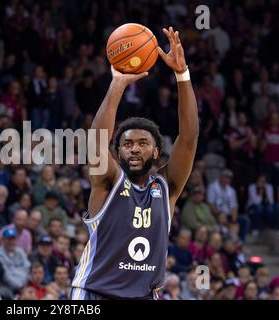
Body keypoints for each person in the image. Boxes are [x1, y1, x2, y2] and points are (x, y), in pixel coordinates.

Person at [72, 27, 198, 300]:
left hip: (144, 295)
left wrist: (182, 74)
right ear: (117, 152)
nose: (135, 149)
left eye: (143, 143)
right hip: (95, 293)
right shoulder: (107, 182)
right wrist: (117, 84)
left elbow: (189, 137)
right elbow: (96, 143)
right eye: (127, 144)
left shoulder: (167, 187)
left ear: (155, 152)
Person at [0, 227, 30, 293]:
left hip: (24, 285)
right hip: (7, 286)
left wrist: (24, 285)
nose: (11, 242)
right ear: (3, 240)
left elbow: (27, 268)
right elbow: (6, 275)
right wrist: (19, 286)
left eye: (13, 239)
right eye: (8, 239)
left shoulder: (20, 252)